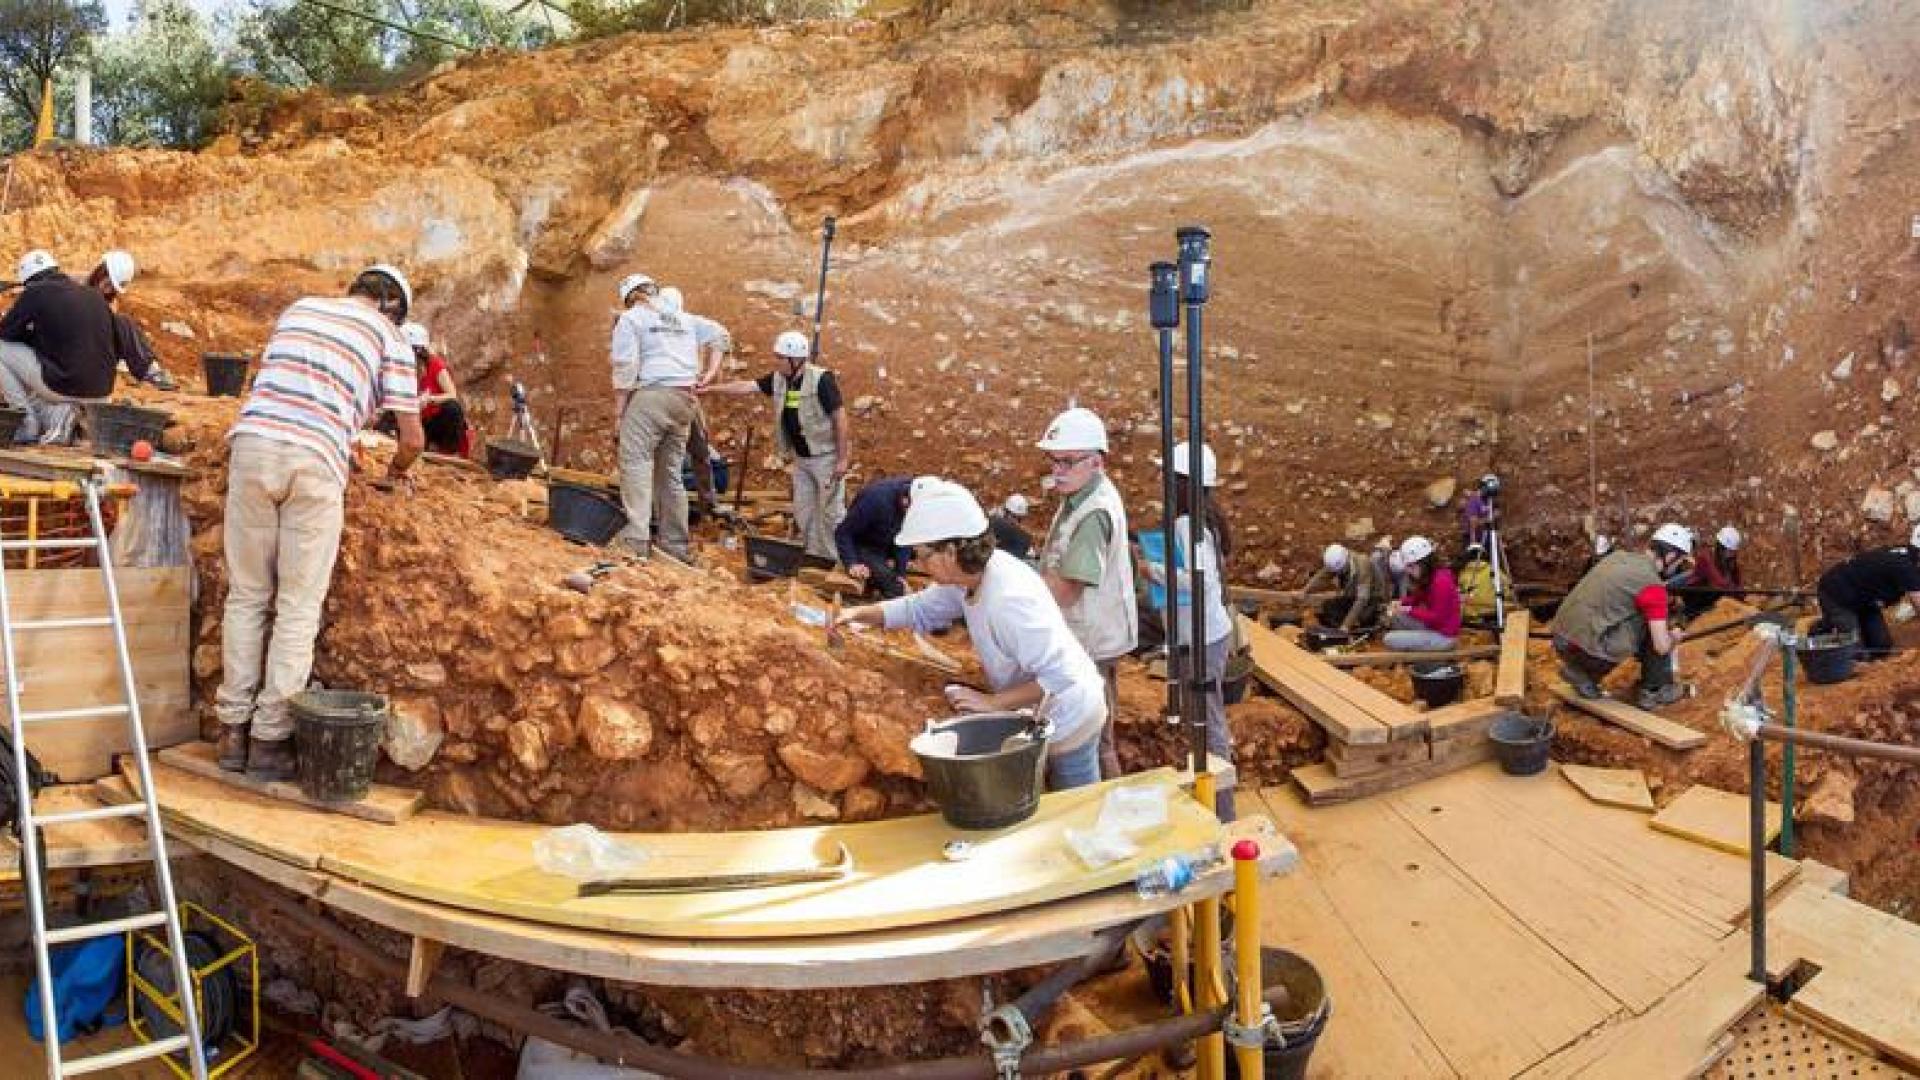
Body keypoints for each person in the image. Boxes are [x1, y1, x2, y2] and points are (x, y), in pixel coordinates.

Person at [217, 265, 423, 781]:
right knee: (296, 608)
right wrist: (394, 474)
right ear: (394, 306)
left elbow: (285, 385)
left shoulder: (300, 308)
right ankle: (268, 741)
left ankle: (231, 734)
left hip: (252, 446)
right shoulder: (390, 335)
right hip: (314, 464)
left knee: (246, 596)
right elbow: (413, 440)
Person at [836, 478, 1107, 790]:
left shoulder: (1008, 601)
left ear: (950, 551)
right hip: (1040, 708)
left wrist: (994, 703)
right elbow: (919, 609)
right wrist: (858, 614)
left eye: (922, 555)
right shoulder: (968, 578)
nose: (917, 564)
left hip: (1072, 713)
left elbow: (1063, 676)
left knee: (1077, 806)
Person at [1034, 406, 1137, 780]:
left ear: (1096, 462)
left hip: (1090, 643)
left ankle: (1109, 812)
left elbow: (1065, 591)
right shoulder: (1079, 496)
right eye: (1053, 461)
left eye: (1066, 462)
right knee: (1095, 733)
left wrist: (1020, 584)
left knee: (1091, 738)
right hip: (1089, 638)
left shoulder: (1094, 513)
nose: (1056, 471)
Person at [1141, 442, 1236, 821]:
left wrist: (1150, 570)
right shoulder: (1199, 520)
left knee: (1209, 723)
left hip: (1203, 638)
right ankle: (1209, 800)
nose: (1162, 481)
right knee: (1203, 719)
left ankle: (1222, 814)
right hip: (1199, 635)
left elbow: (1197, 580)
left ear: (1184, 482)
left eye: (1169, 476)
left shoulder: (1188, 524)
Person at [703, 330, 848, 560]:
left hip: (825, 457)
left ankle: (836, 560)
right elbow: (747, 387)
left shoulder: (821, 380)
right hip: (801, 459)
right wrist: (711, 389)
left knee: (830, 512)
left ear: (796, 359)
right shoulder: (779, 380)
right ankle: (814, 557)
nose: (777, 362)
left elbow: (839, 417)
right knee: (804, 510)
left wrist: (842, 459)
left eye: (781, 358)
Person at [608, 272, 702, 563]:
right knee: (669, 474)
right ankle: (675, 543)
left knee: (634, 461)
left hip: (654, 395)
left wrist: (620, 411)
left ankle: (635, 538)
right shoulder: (682, 319)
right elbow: (717, 338)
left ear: (629, 297)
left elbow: (625, 366)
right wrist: (709, 373)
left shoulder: (632, 318)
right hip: (685, 399)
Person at [1550, 523, 1693, 707]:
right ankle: (1655, 690)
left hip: (1561, 638)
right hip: (1588, 651)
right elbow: (1661, 646)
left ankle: (1581, 673)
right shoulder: (1653, 586)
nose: (1679, 567)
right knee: (1654, 622)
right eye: (1680, 562)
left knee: (1622, 613)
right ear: (1671, 556)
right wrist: (1673, 637)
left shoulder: (1617, 557)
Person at [0, 249, 117, 444]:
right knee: (37, 379)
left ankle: (26, 425)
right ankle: (60, 417)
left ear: (29, 280)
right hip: (102, 394)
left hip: (66, 386)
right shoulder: (93, 295)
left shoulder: (36, 292)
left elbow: (5, 333)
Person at [658, 287, 731, 516]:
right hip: (679, 396)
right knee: (694, 454)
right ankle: (703, 503)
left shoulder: (682, 326)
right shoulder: (687, 325)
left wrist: (708, 374)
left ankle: (706, 503)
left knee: (697, 452)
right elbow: (721, 336)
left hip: (676, 396)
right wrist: (709, 372)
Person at [1814, 525, 1920, 661]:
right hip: (1837, 594)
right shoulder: (1905, 567)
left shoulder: (1909, 557)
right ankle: (1824, 627)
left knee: (1881, 646)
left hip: (1865, 599)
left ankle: (1842, 623)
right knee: (1858, 657)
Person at [87, 251, 177, 393]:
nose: (107, 289)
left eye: (112, 288)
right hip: (78, 349)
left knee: (123, 324)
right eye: (107, 283)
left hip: (95, 355)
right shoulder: (76, 289)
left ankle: (150, 370)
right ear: (100, 272)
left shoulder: (107, 300)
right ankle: (150, 371)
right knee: (123, 323)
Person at [834, 475, 912, 598]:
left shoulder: (917, 504)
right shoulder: (874, 500)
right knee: (889, 582)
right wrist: (851, 563)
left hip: (889, 539)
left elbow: (905, 540)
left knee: (925, 550)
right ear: (904, 499)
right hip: (864, 544)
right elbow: (843, 533)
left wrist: (901, 574)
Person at [1384, 535, 1461, 651]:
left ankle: (1422, 646)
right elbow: (1418, 597)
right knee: (1397, 616)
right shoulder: (1431, 576)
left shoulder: (1441, 582)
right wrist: (1401, 602)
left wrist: (1409, 610)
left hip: (1445, 636)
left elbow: (1437, 617)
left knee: (1389, 639)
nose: (1408, 571)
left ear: (1423, 563)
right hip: (1434, 627)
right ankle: (1416, 642)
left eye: (1411, 566)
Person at [404, 322, 470, 457]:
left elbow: (452, 394)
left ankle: (449, 451)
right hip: (412, 420)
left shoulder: (435, 364)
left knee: (453, 408)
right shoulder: (400, 367)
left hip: (434, 420)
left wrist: (430, 399)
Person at [1303, 542, 1387, 632]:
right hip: (1353, 595)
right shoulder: (1339, 561)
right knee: (1328, 606)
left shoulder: (1362, 565)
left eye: (1340, 571)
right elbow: (1323, 575)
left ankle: (1356, 627)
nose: (1338, 573)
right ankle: (1340, 628)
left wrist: (1346, 625)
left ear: (1345, 562)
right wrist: (1305, 590)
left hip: (1372, 598)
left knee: (1363, 618)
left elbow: (1362, 599)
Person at [1457, 543, 1498, 625]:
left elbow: (1459, 594)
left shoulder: (1463, 574)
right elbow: (1507, 590)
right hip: (1494, 611)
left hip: (1471, 613)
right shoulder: (1496, 571)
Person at [988, 494, 1035, 559]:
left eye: (1019, 519)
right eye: (1014, 517)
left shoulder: (991, 518)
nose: (1016, 522)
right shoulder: (994, 523)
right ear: (1006, 512)